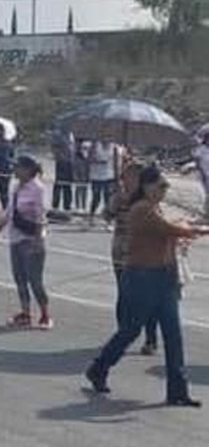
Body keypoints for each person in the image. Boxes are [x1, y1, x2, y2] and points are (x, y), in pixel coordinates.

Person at [85, 166, 209, 407]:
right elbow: (170, 229)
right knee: (130, 331)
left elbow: (170, 232)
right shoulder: (141, 209)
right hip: (142, 278)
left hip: (163, 279)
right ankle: (98, 368)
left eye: (166, 186)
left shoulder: (154, 208)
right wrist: (197, 229)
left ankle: (177, 390)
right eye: (161, 185)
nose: (165, 190)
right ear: (147, 186)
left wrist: (187, 231)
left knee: (173, 335)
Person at [0, 156, 51, 329]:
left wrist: (38, 241)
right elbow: (9, 212)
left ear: (27, 169)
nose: (14, 170)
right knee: (19, 278)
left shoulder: (37, 188)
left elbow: (40, 216)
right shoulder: (16, 187)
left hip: (31, 239)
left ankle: (45, 314)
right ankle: (25, 313)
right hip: (16, 238)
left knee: (35, 280)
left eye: (17, 167)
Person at [105, 163, 158, 355]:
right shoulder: (118, 197)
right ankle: (122, 335)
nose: (127, 181)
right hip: (120, 252)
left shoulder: (148, 201)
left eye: (133, 177)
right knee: (124, 295)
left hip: (144, 254)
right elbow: (107, 216)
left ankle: (151, 339)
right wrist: (114, 200)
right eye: (125, 176)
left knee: (146, 297)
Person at [88, 140, 119, 222]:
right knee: (96, 197)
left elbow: (115, 162)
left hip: (109, 176)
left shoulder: (114, 146)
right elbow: (89, 159)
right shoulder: (95, 145)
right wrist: (98, 161)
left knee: (108, 199)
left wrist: (117, 177)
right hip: (96, 176)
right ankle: (91, 216)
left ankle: (108, 220)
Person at [183, 133, 209, 217]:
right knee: (206, 196)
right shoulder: (200, 150)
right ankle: (206, 215)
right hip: (205, 176)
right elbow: (198, 163)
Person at [51, 132, 75, 212]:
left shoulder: (73, 135)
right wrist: (58, 155)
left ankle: (67, 205)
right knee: (59, 183)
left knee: (68, 185)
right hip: (61, 162)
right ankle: (55, 205)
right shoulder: (59, 135)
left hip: (70, 162)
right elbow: (54, 147)